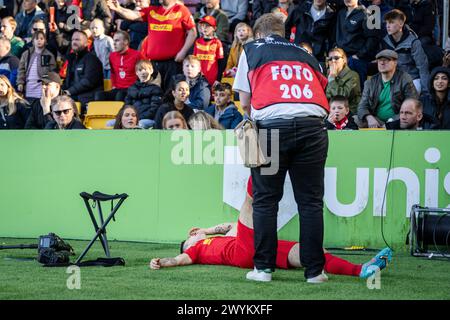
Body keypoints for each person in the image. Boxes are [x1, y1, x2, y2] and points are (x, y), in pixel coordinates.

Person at [233, 13, 330, 283]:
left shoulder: (251, 50)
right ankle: (315, 272)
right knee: (310, 202)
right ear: (284, 33)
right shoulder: (306, 53)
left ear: (259, 34)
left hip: (272, 128)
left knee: (265, 201)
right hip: (313, 128)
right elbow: (322, 89)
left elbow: (244, 102)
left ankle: (263, 269)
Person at [149, 176, 393, 282]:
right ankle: (262, 161)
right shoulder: (197, 250)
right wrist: (164, 261)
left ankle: (361, 270)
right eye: (188, 239)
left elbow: (229, 226)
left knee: (309, 252)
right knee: (249, 202)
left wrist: (206, 228)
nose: (191, 238)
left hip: (258, 248)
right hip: (242, 254)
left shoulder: (213, 237)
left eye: (191, 237)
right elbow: (179, 260)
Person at [107, 0, 197, 92]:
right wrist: (118, 8)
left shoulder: (181, 10)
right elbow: (134, 15)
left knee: (170, 95)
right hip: (154, 64)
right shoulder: (152, 10)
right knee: (154, 94)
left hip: (172, 64)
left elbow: (192, 32)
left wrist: (183, 51)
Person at [357, 49, 418, 128]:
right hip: (376, 121)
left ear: (395, 62)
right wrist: (369, 117)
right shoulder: (370, 82)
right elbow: (362, 106)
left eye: (386, 60)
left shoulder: (405, 79)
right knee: (355, 120)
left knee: (409, 119)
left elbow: (412, 105)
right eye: (379, 60)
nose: (382, 63)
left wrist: (391, 122)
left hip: (398, 120)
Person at [382, 9, 429, 95]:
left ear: (401, 23)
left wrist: (426, 92)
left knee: (407, 96)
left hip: (412, 79)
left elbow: (422, 67)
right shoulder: (385, 41)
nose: (388, 26)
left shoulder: (413, 42)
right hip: (392, 80)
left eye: (391, 22)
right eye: (387, 23)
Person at [334, 0, 380, 90]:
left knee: (356, 91)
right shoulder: (341, 13)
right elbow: (336, 33)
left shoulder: (369, 14)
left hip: (356, 60)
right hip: (340, 57)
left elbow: (374, 38)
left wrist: (359, 55)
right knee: (340, 90)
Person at [61, 30, 103, 113]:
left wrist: (69, 92)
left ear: (86, 43)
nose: (74, 42)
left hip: (86, 99)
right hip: (73, 98)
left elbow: (88, 82)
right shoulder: (72, 59)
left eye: (77, 40)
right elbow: (67, 82)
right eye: (73, 40)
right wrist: (60, 91)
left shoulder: (92, 59)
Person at [284, 0, 336, 64]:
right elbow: (286, 28)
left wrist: (328, 59)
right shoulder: (301, 9)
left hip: (317, 58)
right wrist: (288, 45)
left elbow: (331, 39)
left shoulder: (330, 15)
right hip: (298, 53)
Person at [95, 30, 142, 101]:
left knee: (120, 95)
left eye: (117, 41)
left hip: (132, 89)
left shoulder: (137, 55)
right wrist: (113, 85)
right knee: (99, 95)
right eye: (113, 40)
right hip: (118, 89)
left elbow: (145, 71)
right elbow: (113, 73)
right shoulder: (112, 56)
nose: (114, 43)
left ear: (126, 42)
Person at [17, 30, 56, 101]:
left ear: (45, 41)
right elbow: (21, 69)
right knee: (29, 103)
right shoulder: (26, 54)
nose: (39, 41)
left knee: (40, 104)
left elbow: (51, 71)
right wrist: (20, 82)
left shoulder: (48, 55)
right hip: (29, 85)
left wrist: (45, 82)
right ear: (33, 41)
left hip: (41, 86)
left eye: (41, 39)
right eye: (37, 39)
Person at [124, 59, 163, 129]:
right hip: (133, 118)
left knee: (141, 123)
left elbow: (154, 109)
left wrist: (137, 118)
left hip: (148, 119)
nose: (143, 72)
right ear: (136, 73)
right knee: (110, 123)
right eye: (140, 70)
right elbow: (126, 106)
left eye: (145, 69)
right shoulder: (131, 88)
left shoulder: (156, 89)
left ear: (151, 71)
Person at [325, 47, 361, 114]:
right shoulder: (327, 75)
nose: (333, 61)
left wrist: (332, 79)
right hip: (331, 113)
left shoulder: (353, 75)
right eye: (330, 59)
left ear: (344, 60)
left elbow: (342, 98)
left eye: (336, 58)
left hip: (349, 114)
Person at [194, 16, 224, 86]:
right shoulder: (197, 41)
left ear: (214, 28)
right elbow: (194, 60)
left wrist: (218, 79)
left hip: (212, 79)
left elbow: (221, 63)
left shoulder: (217, 42)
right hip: (198, 78)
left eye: (207, 26)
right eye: (202, 25)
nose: (204, 28)